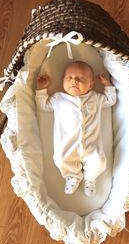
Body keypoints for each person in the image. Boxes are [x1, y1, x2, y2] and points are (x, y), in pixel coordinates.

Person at [35, 61, 116, 196]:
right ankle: (72, 176)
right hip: (67, 145)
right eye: (69, 78)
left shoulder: (95, 98)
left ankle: (90, 178)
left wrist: (108, 85)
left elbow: (110, 100)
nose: (74, 81)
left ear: (91, 84)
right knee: (60, 158)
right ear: (63, 81)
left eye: (81, 79)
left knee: (100, 161)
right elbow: (43, 105)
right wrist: (42, 89)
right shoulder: (58, 99)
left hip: (92, 145)